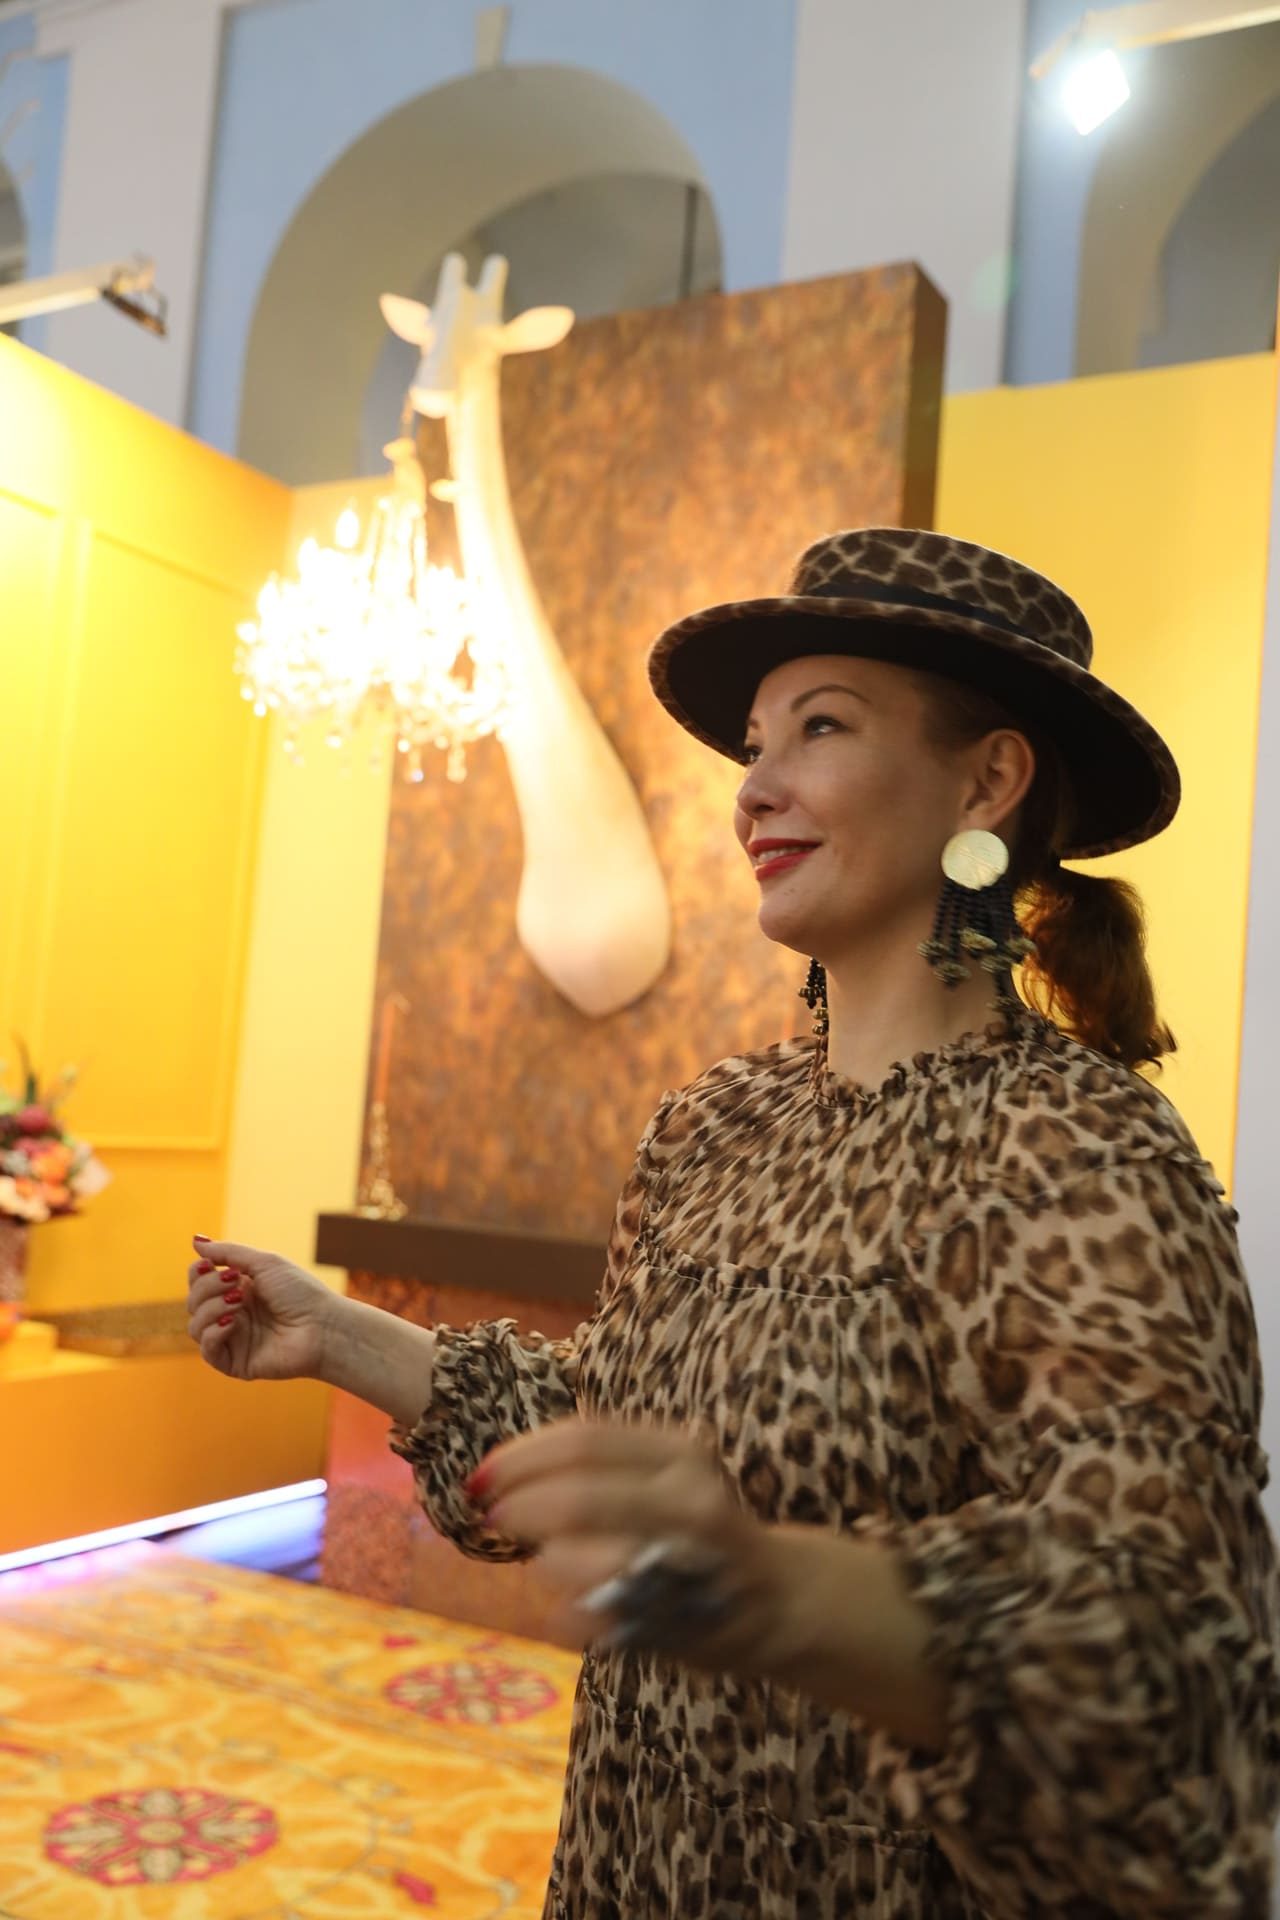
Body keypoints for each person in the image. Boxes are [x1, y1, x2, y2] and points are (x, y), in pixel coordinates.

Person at [188, 528, 1280, 1919]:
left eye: (821, 728)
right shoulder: (712, 1123)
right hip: (630, 1860)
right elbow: (608, 1427)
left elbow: (1164, 1640)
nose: (753, 789)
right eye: (755, 744)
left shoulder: (1079, 1151)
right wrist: (335, 1334)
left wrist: (778, 1590)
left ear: (987, 780)